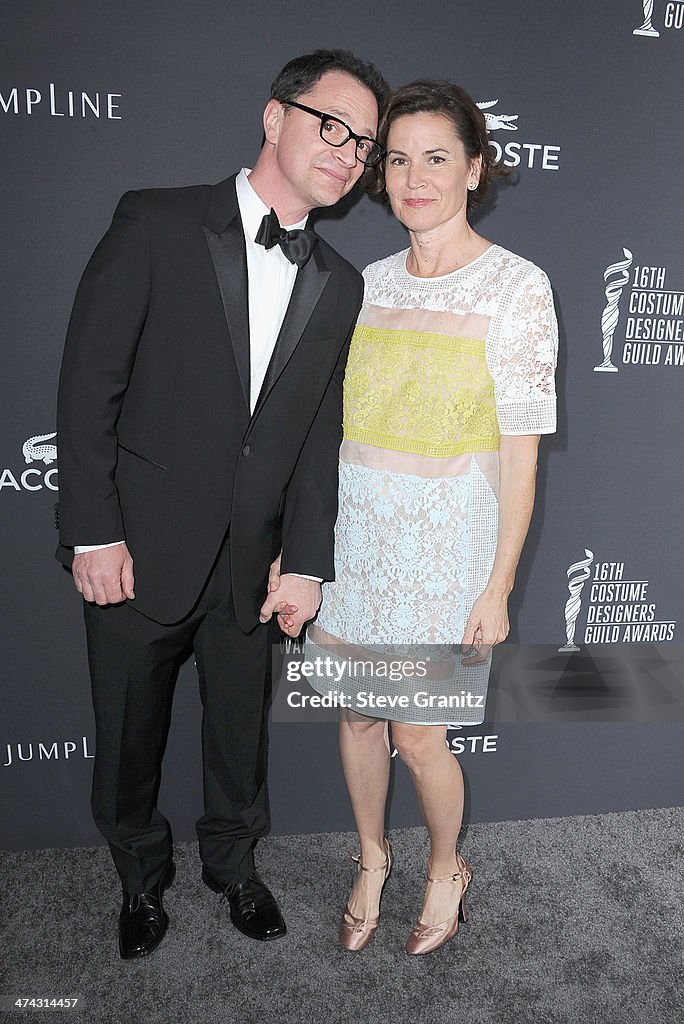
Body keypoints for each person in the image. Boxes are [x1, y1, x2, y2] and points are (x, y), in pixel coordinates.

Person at [56, 49, 387, 960]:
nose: (349, 153)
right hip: (136, 550)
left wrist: (308, 558)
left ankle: (234, 869)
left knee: (239, 739)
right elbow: (89, 389)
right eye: (333, 125)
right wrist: (93, 530)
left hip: (254, 562)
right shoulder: (156, 222)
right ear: (274, 116)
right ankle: (139, 879)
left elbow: (318, 434)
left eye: (364, 143)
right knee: (128, 740)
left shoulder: (342, 282)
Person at [271, 79, 557, 954]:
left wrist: (497, 584)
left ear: (475, 168)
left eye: (436, 158)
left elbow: (520, 451)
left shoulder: (517, 287)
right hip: (356, 540)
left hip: (444, 550)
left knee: (419, 735)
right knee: (357, 717)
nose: (413, 177)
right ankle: (371, 856)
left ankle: (444, 867)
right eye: (396, 159)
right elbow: (325, 430)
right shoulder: (364, 283)